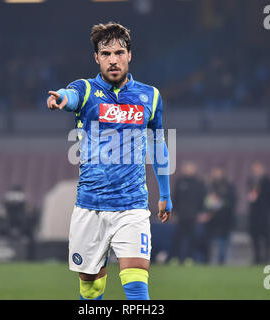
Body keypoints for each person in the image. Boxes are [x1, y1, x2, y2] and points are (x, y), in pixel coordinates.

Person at [46, 22, 172, 300]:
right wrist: (61, 98)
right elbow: (71, 95)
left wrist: (164, 193)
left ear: (129, 55)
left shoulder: (150, 96)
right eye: (106, 54)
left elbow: (158, 144)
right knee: (91, 288)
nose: (113, 59)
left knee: (137, 285)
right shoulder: (87, 90)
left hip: (132, 206)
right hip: (90, 207)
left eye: (119, 52)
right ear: (96, 58)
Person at [169, 161, 206, 264]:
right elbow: (175, 198)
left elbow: (202, 199)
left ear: (194, 169)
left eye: (190, 168)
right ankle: (175, 258)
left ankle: (190, 258)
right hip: (181, 215)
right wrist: (173, 212)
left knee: (192, 238)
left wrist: (201, 212)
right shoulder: (179, 182)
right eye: (187, 168)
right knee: (177, 238)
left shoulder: (199, 183)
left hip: (193, 215)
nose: (188, 170)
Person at [202, 166, 237, 265]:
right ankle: (207, 260)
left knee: (223, 241)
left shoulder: (228, 186)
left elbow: (232, 201)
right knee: (209, 241)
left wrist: (220, 202)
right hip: (211, 219)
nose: (216, 174)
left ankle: (221, 261)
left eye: (218, 172)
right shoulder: (208, 186)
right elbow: (204, 201)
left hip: (225, 219)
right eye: (214, 172)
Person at [247, 161, 270, 265]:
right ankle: (257, 257)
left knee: (266, 236)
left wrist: (267, 208)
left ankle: (267, 257)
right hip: (254, 214)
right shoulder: (251, 181)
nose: (256, 170)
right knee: (254, 237)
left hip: (264, 213)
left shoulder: (267, 181)